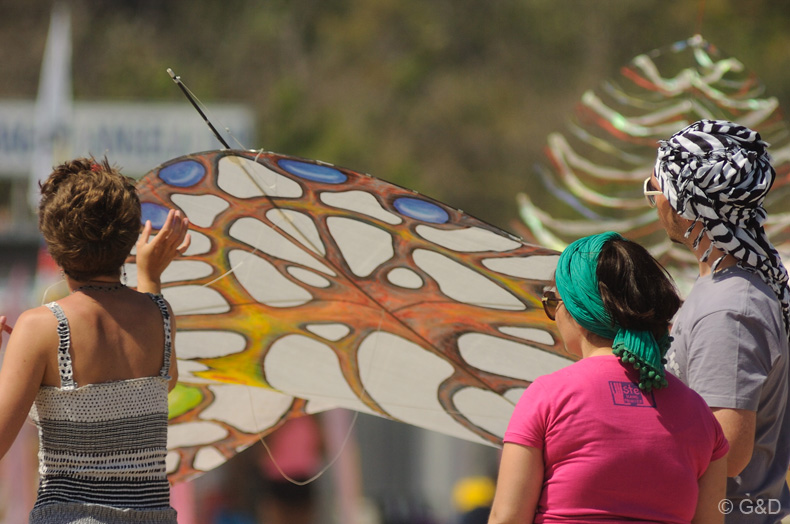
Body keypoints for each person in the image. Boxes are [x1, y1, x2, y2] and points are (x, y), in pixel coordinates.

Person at [488, 231, 729, 523]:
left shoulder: (547, 397)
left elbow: (507, 517)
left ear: (577, 309)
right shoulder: (700, 416)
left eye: (553, 302)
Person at [0, 157, 190, 522]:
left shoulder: (42, 327)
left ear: (53, 243)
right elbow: (159, 387)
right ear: (128, 238)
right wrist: (149, 276)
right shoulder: (160, 316)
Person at [647, 120, 790, 522]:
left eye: (654, 189)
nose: (655, 203)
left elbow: (726, 450)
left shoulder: (729, 308)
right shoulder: (725, 290)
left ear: (683, 202)